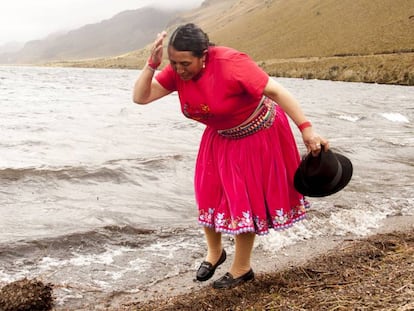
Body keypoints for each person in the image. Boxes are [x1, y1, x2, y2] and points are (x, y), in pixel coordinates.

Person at [133, 23, 329, 289]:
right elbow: (140, 97)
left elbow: (277, 91)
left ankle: (242, 268)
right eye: (174, 62)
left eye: (185, 63)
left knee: (242, 200)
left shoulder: (231, 63)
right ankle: (215, 253)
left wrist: (307, 129)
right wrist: (152, 65)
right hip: (220, 135)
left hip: (257, 133)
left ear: (204, 55)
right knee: (208, 193)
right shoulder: (178, 70)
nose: (179, 69)